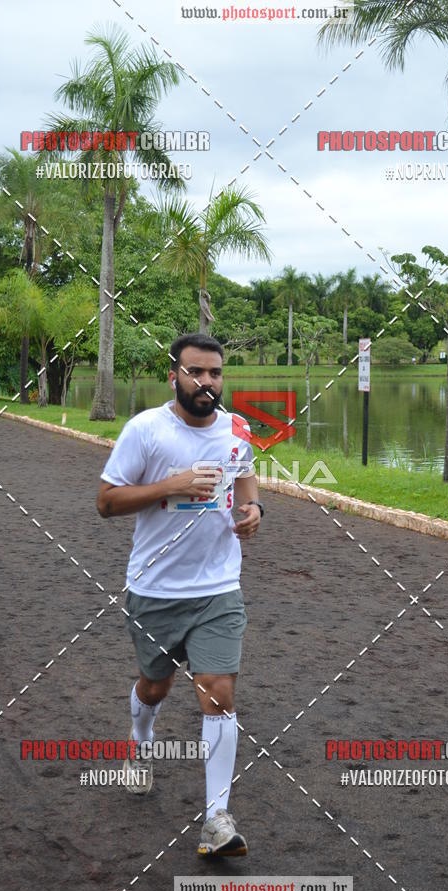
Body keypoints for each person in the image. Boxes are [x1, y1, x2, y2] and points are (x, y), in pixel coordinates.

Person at [97, 333, 263, 858]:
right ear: (175, 375)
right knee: (154, 687)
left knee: (218, 691)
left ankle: (217, 819)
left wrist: (254, 509)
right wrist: (171, 485)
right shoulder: (145, 430)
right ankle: (140, 743)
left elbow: (246, 476)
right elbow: (106, 502)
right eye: (195, 372)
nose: (206, 382)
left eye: (215, 373)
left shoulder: (237, 428)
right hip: (154, 590)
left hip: (218, 588)